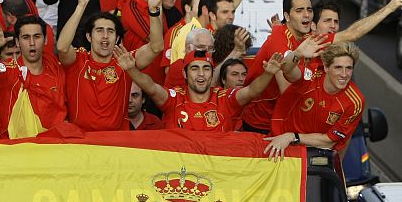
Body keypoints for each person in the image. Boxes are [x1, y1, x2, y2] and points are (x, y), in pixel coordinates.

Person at [242, 0, 402, 134]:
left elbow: (352, 34)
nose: (307, 14)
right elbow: (289, 82)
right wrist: (300, 55)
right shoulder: (278, 39)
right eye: (299, 10)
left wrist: (390, 7)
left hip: (286, 122)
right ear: (287, 15)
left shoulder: (310, 38)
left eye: (309, 10)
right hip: (259, 123)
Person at [57, 0, 165, 131]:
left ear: (118, 38)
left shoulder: (125, 62)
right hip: (81, 144)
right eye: (99, 30)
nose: (105, 36)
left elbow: (156, 46)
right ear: (89, 36)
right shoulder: (78, 60)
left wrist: (154, 10)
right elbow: (62, 47)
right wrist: (81, 6)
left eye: (110, 31)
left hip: (116, 146)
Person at [115, 48, 286, 132]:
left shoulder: (225, 98)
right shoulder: (174, 98)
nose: (201, 74)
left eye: (206, 68)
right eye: (194, 69)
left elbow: (252, 91)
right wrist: (132, 70)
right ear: (184, 73)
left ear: (212, 73)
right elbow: (150, 87)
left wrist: (268, 73)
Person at [0, 16, 67, 138]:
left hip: (54, 147)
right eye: (26, 37)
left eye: (37, 37)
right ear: (17, 42)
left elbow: (64, 48)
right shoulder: (9, 69)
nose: (32, 43)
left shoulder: (56, 67)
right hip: (15, 149)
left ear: (46, 40)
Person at [266, 42, 366, 160]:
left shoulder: (355, 101)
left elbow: (329, 141)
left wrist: (293, 137)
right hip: (280, 142)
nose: (344, 74)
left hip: (316, 155)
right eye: (338, 67)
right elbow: (287, 70)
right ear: (326, 67)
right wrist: (297, 53)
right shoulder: (312, 75)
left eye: (348, 68)